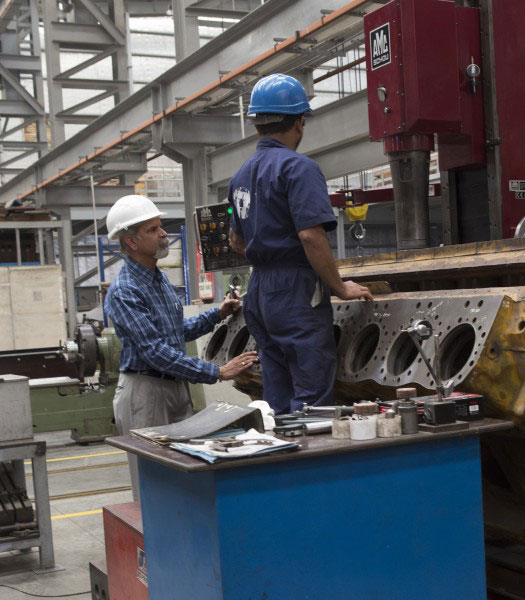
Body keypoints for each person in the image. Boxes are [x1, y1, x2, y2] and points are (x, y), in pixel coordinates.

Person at [227, 73, 373, 415]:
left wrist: (266, 253)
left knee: (277, 393)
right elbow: (311, 235)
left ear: (257, 124)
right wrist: (339, 287)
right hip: (295, 291)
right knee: (311, 398)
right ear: (299, 123)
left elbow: (235, 240)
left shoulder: (240, 175)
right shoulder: (298, 168)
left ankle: (282, 458)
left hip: (260, 292)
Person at [104, 194, 258, 498]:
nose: (163, 234)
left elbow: (175, 332)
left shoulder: (158, 280)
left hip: (175, 388)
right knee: (153, 485)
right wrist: (216, 372)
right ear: (131, 242)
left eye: (160, 227)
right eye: (152, 230)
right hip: (145, 393)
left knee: (186, 471)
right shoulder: (124, 291)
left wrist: (218, 313)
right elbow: (154, 351)